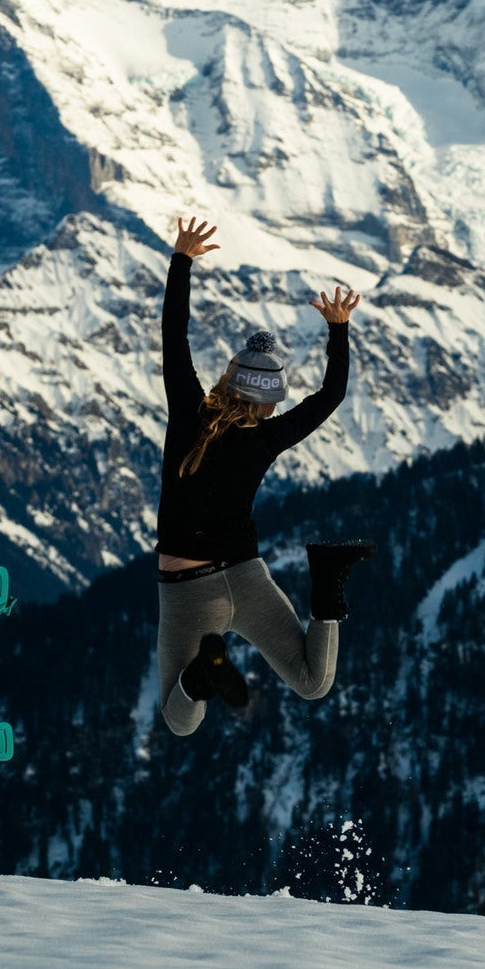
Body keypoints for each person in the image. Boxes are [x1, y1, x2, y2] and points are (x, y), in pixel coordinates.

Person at [154, 215, 376, 736]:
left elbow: (173, 333)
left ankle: (200, 681)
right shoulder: (267, 437)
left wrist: (181, 261)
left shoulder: (189, 409)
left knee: (180, 720)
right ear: (270, 406)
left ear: (226, 380)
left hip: (188, 590)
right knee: (311, 681)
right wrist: (338, 330)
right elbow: (331, 396)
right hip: (248, 577)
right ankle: (328, 584)